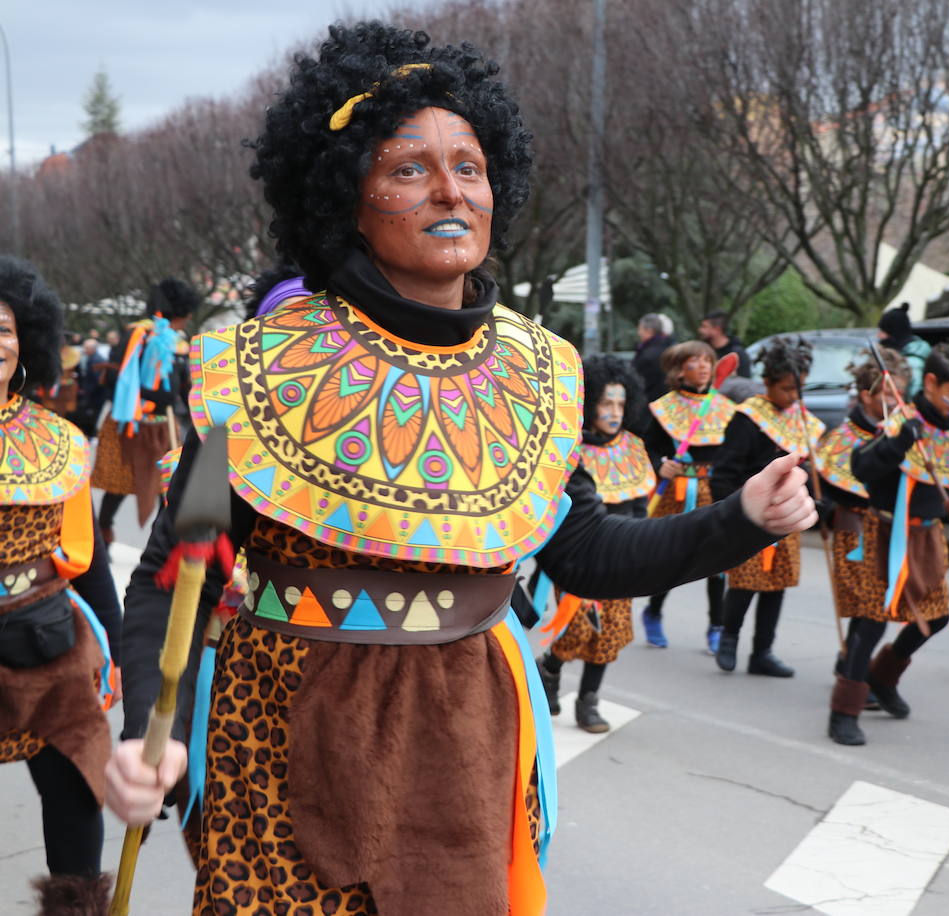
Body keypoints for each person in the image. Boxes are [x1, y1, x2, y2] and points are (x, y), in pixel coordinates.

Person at [103, 23, 816, 916]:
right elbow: (180, 577)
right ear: (346, 200)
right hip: (284, 731)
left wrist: (742, 516)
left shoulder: (539, 370)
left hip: (469, 735)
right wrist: (146, 730)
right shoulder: (256, 372)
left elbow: (586, 552)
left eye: (469, 167)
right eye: (408, 169)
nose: (450, 190)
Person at [0, 257, 122, 913]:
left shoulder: (60, 441)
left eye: (4, 328)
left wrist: (123, 657)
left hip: (48, 645)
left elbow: (91, 561)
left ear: (27, 342)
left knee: (76, 790)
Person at [834, 344, 949, 746]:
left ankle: (881, 678)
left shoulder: (948, 429)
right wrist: (898, 443)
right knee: (870, 623)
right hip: (885, 532)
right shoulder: (901, 420)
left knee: (935, 617)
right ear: (932, 382)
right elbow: (861, 467)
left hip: (927, 536)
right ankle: (844, 710)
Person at [536, 356, 654, 733]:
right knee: (579, 628)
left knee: (611, 632)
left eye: (621, 404)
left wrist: (640, 548)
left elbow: (638, 508)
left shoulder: (634, 448)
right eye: (607, 403)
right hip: (575, 555)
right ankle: (550, 667)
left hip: (620, 554)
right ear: (590, 404)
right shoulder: (570, 448)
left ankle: (589, 702)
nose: (615, 412)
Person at [710, 336, 823, 677]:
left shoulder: (800, 420)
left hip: (785, 515)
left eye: (799, 389)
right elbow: (725, 472)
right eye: (787, 389)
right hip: (750, 515)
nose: (793, 396)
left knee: (777, 585)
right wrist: (733, 513)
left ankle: (763, 651)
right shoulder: (748, 419)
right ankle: (729, 639)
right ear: (768, 384)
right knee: (746, 582)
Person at [816, 347, 909, 746]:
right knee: (869, 615)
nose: (895, 404)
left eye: (900, 395)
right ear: (867, 396)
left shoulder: (902, 429)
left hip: (893, 534)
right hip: (855, 533)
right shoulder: (841, 439)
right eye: (888, 396)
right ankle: (845, 707)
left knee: (871, 617)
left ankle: (852, 667)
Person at [640, 340, 737, 650]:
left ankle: (716, 625)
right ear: (680, 371)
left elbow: (733, 452)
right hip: (677, 491)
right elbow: (647, 447)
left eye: (708, 361)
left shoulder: (725, 408)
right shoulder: (664, 408)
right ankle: (653, 612)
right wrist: (660, 464)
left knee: (718, 561)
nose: (705, 367)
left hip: (715, 489)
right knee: (672, 557)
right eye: (696, 362)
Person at [90, 278, 197, 544]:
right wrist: (150, 395)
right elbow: (117, 378)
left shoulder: (179, 344)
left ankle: (156, 548)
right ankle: (103, 542)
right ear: (181, 311)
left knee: (168, 487)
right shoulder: (137, 335)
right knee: (120, 484)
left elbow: (183, 387)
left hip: (163, 426)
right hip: (130, 423)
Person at [876, 301, 932, 398]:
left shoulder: (913, 362)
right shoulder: (903, 354)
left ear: (894, 333)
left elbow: (913, 397)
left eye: (883, 331)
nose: (879, 335)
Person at [632, 312, 674, 401]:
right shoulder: (672, 349)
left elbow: (637, 382)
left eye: (640, 329)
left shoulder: (647, 355)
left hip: (650, 403)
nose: (639, 333)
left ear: (649, 330)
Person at [697, 310, 752, 378]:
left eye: (704, 327)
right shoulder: (703, 351)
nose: (700, 330)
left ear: (717, 330)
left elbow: (745, 383)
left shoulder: (737, 354)